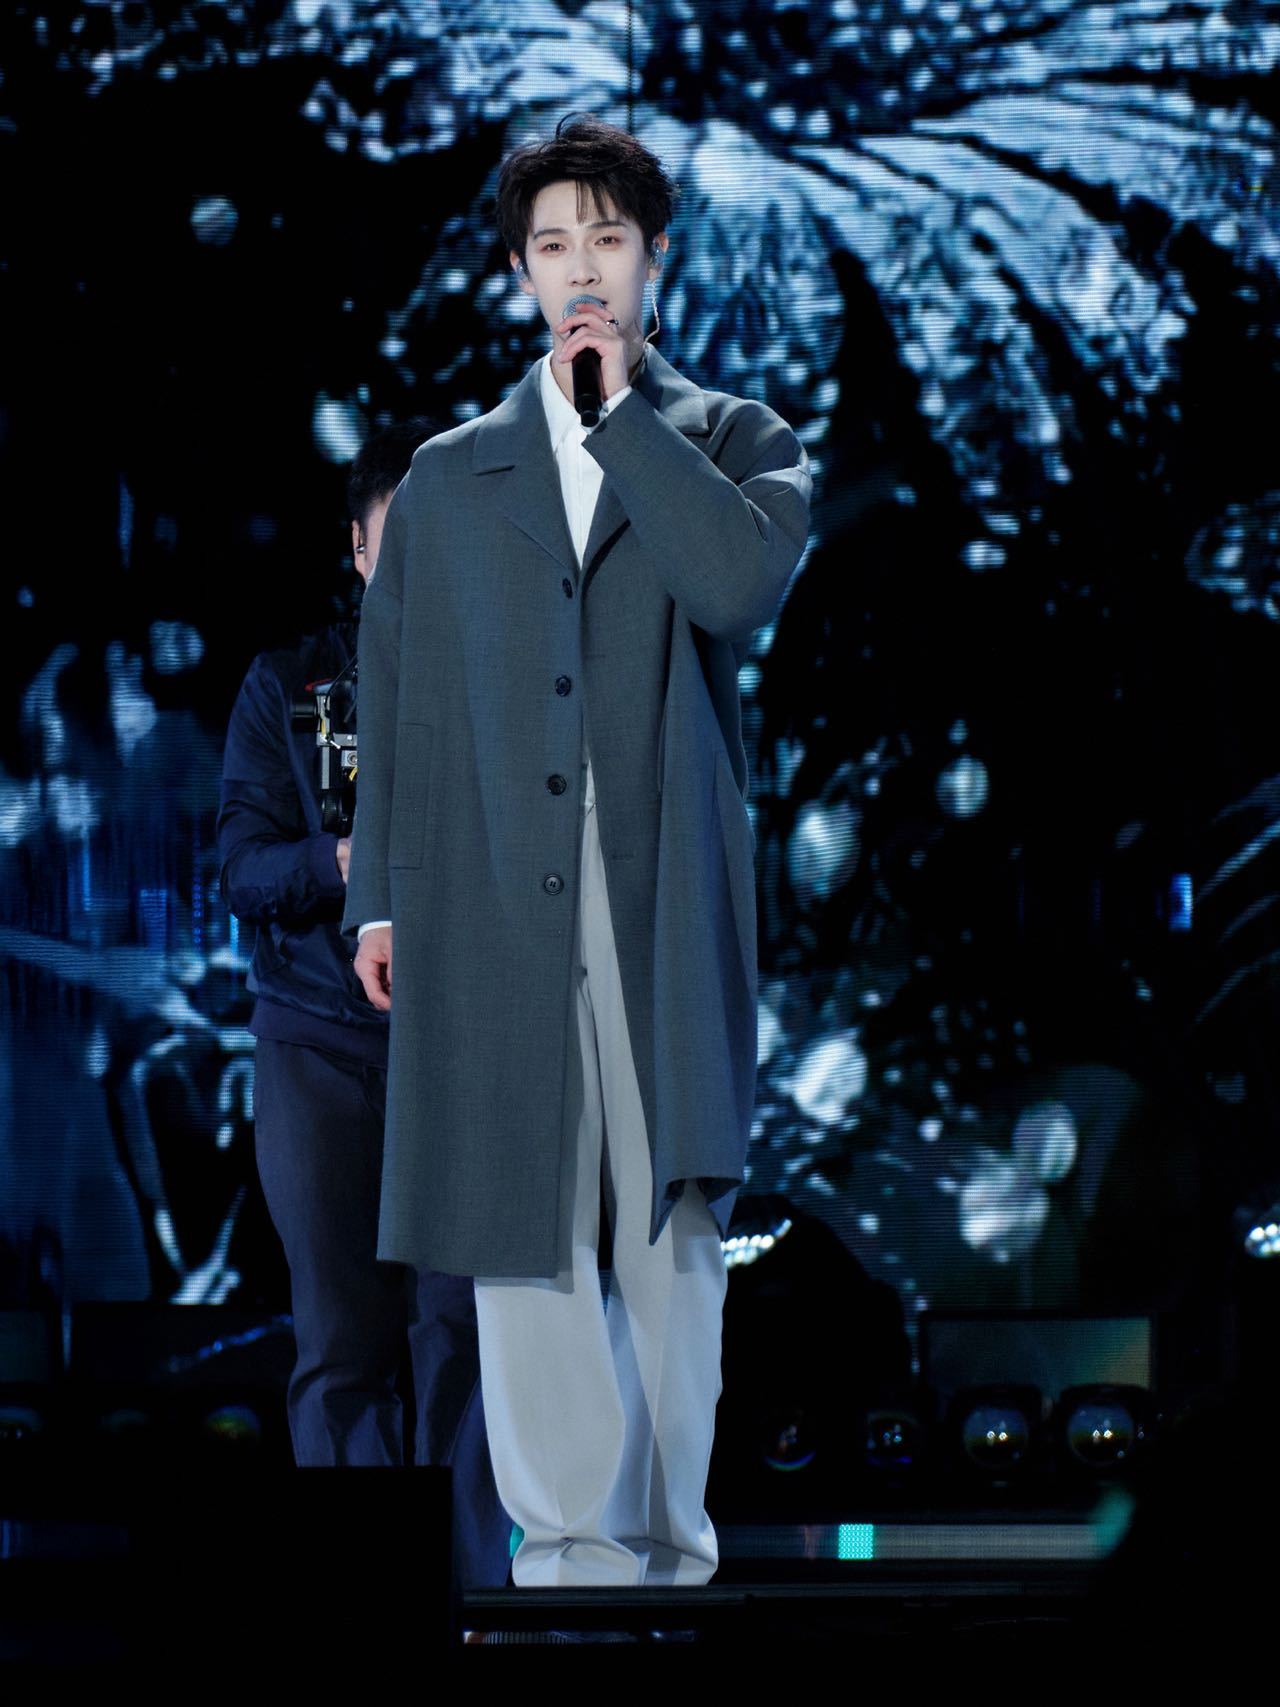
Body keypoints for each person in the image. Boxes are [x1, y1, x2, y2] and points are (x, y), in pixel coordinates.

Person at [346, 115, 811, 1589]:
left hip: (662, 888)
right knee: (523, 1222)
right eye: (553, 246)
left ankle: (668, 1548)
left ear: (654, 260)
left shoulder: (735, 439)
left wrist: (621, 423)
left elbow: (735, 586)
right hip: (492, 888)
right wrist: (378, 900)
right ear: (520, 273)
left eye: (607, 240)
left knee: (672, 1228)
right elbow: (398, 702)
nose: (581, 270)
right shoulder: (450, 477)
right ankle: (562, 1555)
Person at [217, 422, 509, 1588]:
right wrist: (342, 862)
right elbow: (240, 869)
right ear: (357, 548)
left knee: (462, 1335)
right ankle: (363, 1601)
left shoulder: (507, 685)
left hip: (460, 1049)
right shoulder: (285, 686)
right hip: (316, 1050)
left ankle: (468, 1596)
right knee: (340, 1338)